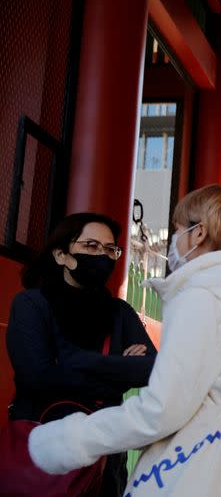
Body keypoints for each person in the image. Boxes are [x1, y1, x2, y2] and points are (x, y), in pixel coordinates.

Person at [28, 185, 221, 496]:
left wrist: (68, 439)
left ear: (198, 234)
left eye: (178, 229)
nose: (173, 240)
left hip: (205, 479)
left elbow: (161, 410)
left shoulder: (200, 297)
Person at [6, 212, 156, 496]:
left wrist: (72, 363)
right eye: (91, 246)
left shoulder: (120, 312)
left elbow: (153, 369)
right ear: (62, 255)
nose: (102, 255)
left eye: (110, 249)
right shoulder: (32, 305)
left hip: (104, 460)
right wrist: (119, 369)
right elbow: (36, 377)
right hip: (41, 452)